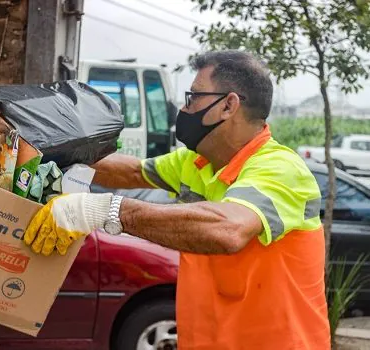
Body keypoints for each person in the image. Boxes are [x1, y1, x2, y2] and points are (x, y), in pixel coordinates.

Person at [24, 50, 330, 349]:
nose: (184, 110)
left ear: (228, 105)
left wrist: (105, 211)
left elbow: (228, 229)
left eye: (193, 97)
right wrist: (44, 156)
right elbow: (131, 172)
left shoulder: (280, 169)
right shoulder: (197, 162)